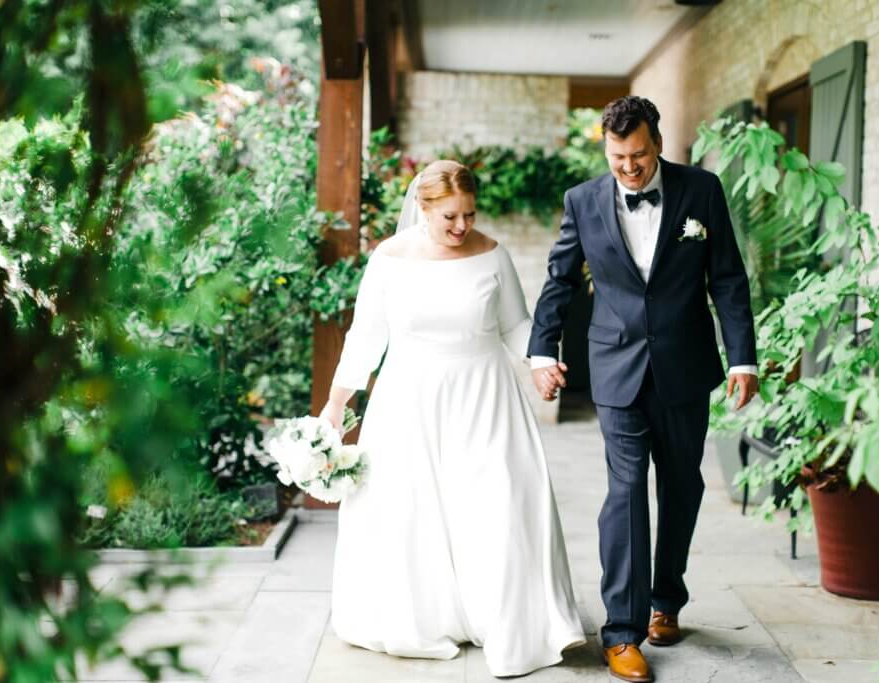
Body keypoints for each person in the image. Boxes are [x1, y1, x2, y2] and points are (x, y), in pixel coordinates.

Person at [320, 160, 585, 678]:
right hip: (408, 400)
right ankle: (426, 615)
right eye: (449, 218)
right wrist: (336, 403)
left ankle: (502, 615)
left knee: (499, 503)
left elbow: (515, 324)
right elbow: (366, 337)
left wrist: (541, 363)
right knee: (411, 509)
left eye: (468, 214)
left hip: (485, 395)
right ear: (422, 208)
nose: (462, 227)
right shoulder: (389, 260)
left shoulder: (492, 255)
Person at [528, 96, 758, 683]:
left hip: (685, 365)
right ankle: (623, 631)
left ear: (658, 142)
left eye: (637, 155)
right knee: (626, 492)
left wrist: (743, 360)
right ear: (604, 148)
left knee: (681, 486)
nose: (628, 167)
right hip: (616, 366)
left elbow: (727, 277)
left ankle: (666, 602)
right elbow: (559, 280)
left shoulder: (701, 190)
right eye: (616, 156)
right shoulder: (582, 201)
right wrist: (540, 351)